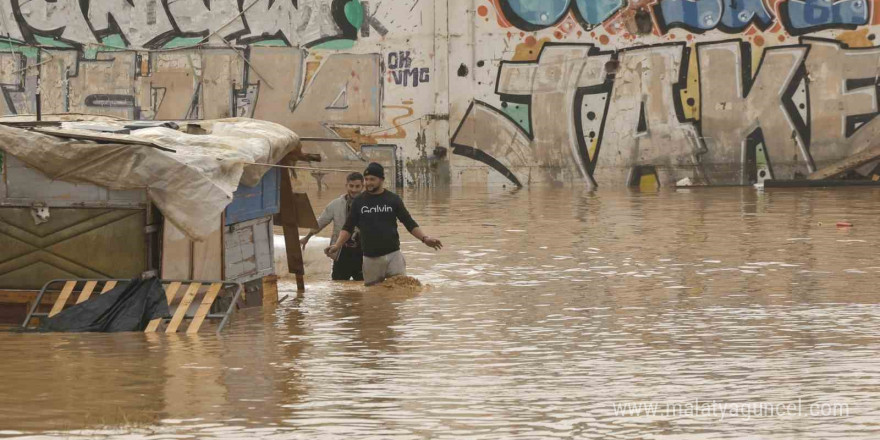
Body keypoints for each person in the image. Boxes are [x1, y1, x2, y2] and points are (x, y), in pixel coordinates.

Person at [328, 162, 443, 286]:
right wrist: (337, 245)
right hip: (370, 259)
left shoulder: (393, 199)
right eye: (366, 179)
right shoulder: (359, 202)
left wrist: (425, 238)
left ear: (381, 179)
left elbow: (409, 222)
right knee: (373, 296)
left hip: (393, 255)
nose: (368, 182)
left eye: (372, 179)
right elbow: (348, 228)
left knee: (400, 292)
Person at [301, 172, 364, 281]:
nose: (354, 190)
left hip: (363, 253)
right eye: (351, 186)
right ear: (346, 186)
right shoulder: (336, 204)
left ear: (363, 186)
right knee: (338, 288)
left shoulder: (369, 205)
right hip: (341, 252)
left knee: (365, 289)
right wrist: (307, 237)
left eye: (357, 186)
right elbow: (320, 222)